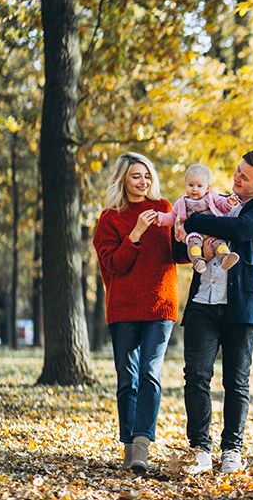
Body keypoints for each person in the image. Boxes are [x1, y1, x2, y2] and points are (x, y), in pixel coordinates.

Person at [177, 148, 253, 475]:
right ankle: (200, 449)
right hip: (203, 300)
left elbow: (243, 231)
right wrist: (197, 240)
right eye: (237, 170)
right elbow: (180, 243)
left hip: (243, 304)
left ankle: (232, 450)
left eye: (245, 176)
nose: (236, 178)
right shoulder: (217, 202)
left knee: (236, 381)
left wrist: (195, 219)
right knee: (196, 376)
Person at [92, 152, 178, 473]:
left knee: (150, 374)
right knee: (127, 378)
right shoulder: (109, 218)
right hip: (124, 307)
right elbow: (113, 264)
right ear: (123, 180)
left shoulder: (165, 209)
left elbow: (177, 254)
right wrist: (136, 234)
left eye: (146, 176)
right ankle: (128, 448)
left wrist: (196, 231)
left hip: (160, 306)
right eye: (135, 177)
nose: (143, 182)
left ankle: (141, 445)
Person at [155, 163, 241, 273]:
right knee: (193, 244)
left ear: (207, 188)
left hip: (212, 231)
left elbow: (222, 205)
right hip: (194, 233)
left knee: (219, 243)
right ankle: (198, 262)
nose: (194, 189)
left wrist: (229, 202)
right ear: (185, 185)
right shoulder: (182, 202)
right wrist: (160, 218)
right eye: (191, 185)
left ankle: (225, 258)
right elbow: (172, 217)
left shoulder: (211, 196)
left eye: (199, 186)